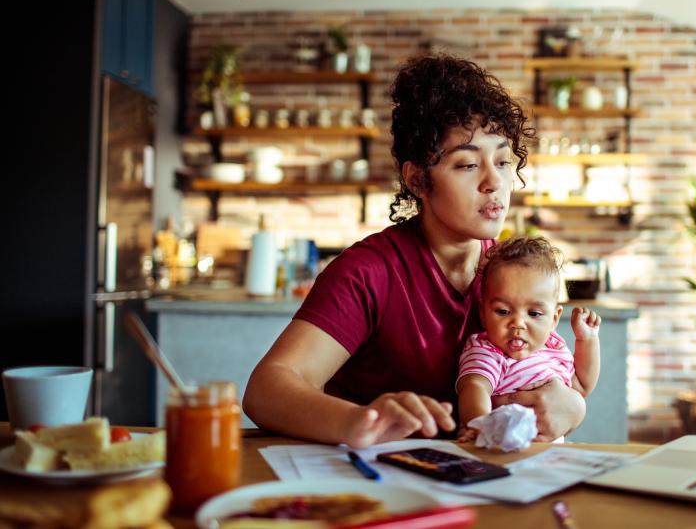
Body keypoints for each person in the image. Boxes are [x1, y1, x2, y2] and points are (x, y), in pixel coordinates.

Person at [243, 54, 587, 448]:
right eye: (467, 165)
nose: (495, 182)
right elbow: (267, 390)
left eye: (504, 161)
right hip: (380, 479)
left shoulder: (512, 270)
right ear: (418, 179)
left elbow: (547, 375)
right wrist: (360, 421)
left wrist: (573, 407)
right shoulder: (369, 271)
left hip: (488, 478)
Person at [456, 237, 601, 442]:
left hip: (549, 457)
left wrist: (587, 340)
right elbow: (474, 387)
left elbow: (582, 386)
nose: (518, 323)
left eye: (533, 314)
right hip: (499, 448)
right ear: (483, 313)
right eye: (503, 311)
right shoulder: (487, 350)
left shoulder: (553, 347)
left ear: (554, 319)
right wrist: (480, 424)